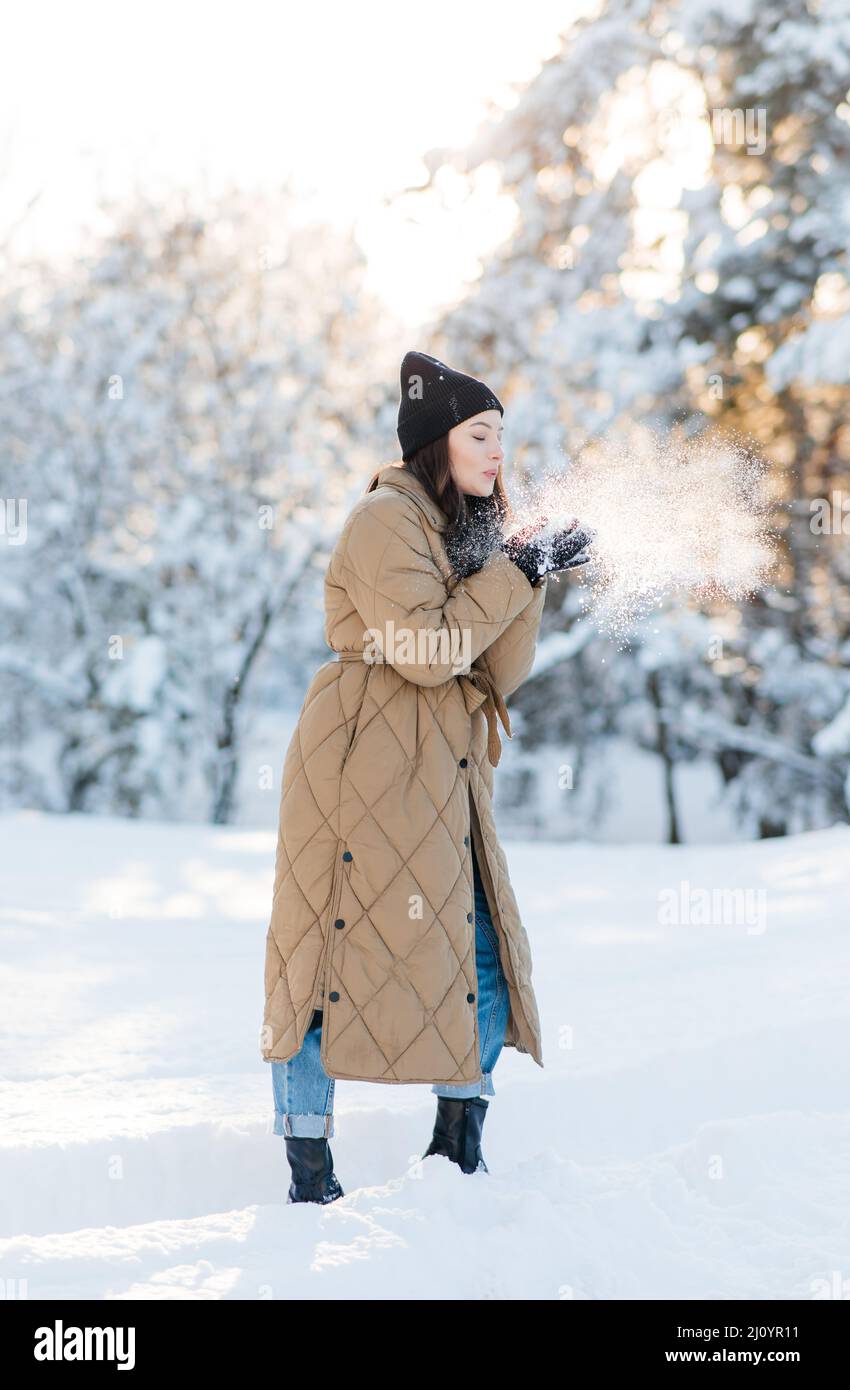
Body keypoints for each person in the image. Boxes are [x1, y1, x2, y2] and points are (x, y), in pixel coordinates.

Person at [260, 351, 593, 1203]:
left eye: (502, 438)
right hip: (361, 757)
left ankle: (457, 1151)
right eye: (480, 435)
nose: (495, 453)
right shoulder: (383, 520)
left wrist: (525, 570)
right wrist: (508, 577)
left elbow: (496, 670)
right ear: (435, 442)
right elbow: (425, 650)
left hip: (446, 764)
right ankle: (309, 1174)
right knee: (326, 954)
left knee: (477, 948)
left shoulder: (462, 530)